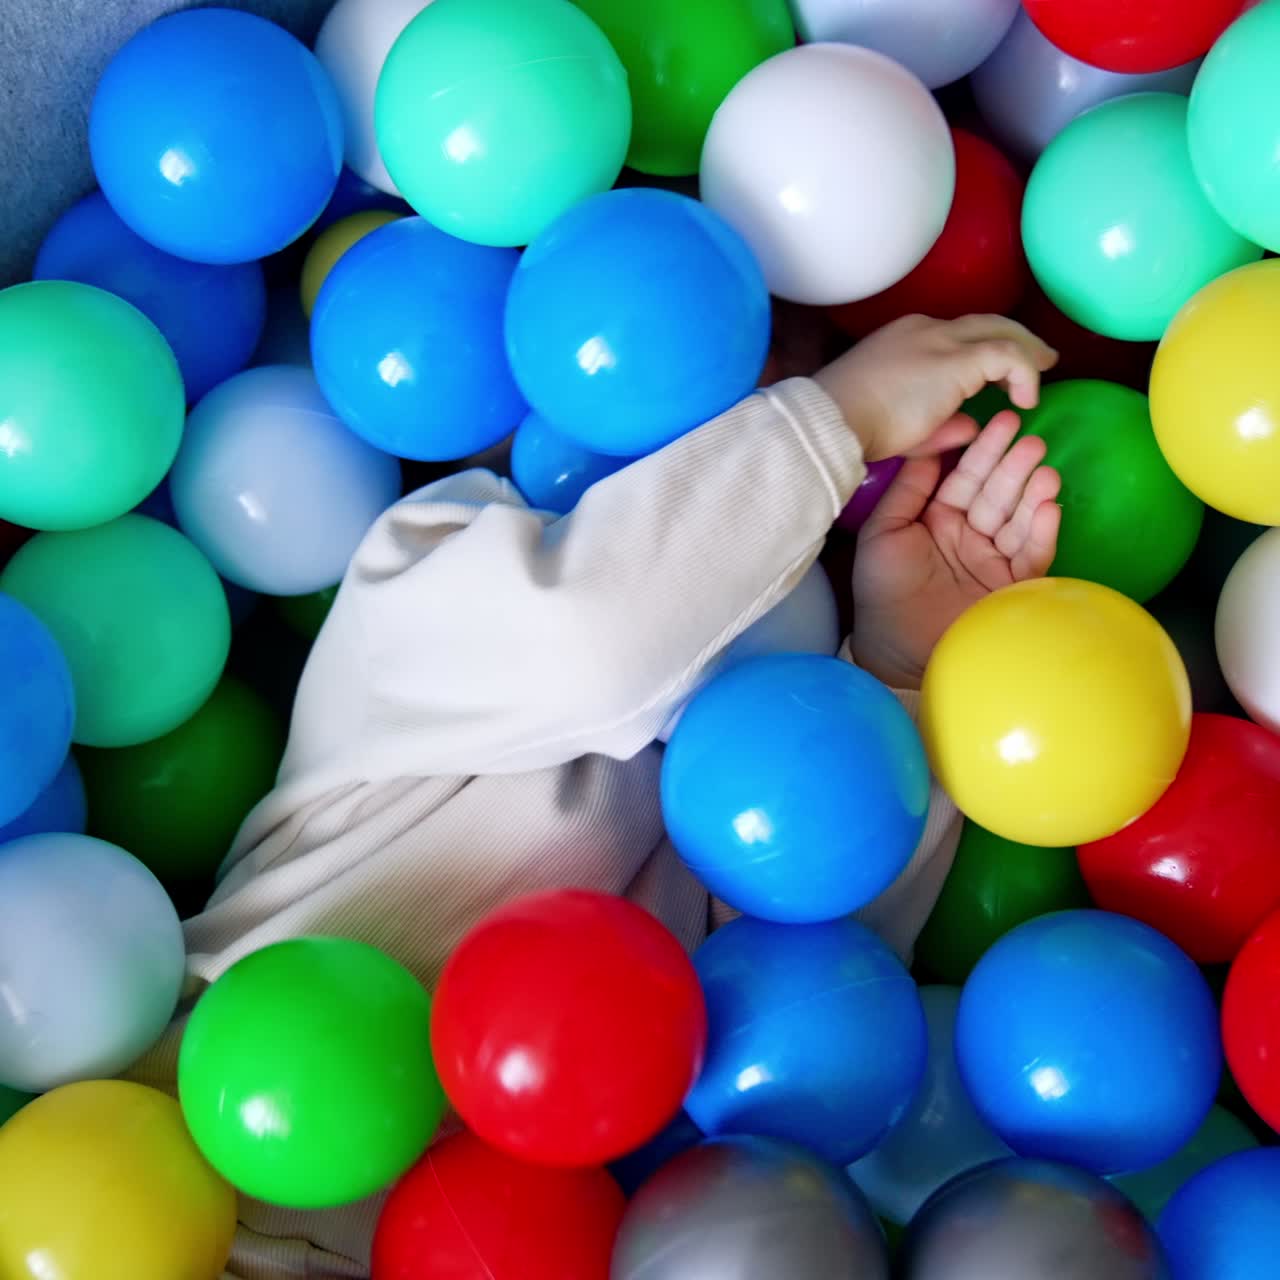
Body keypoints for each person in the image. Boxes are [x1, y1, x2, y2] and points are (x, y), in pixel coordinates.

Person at [130, 311, 1061, 1277]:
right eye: (724, 430)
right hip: (150, 1174)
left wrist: (896, 678)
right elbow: (594, 635)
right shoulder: (415, 582)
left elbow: (804, 971)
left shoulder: (665, 791)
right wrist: (838, 418)